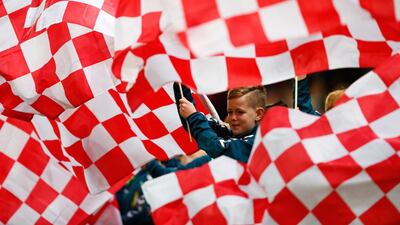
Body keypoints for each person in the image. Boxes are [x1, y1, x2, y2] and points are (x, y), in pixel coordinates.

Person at [178, 85, 267, 163]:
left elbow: (217, 148)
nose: (233, 117)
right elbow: (194, 125)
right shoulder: (231, 132)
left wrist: (193, 116)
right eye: (230, 112)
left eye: (240, 112)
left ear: (258, 114)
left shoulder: (257, 142)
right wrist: (182, 85)